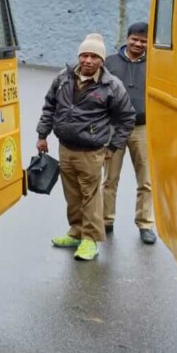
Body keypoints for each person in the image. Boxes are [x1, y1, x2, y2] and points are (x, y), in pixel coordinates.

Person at [36, 33, 136, 262]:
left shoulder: (111, 85)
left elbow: (127, 118)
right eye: (84, 55)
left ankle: (90, 240)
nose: (88, 60)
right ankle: (76, 232)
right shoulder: (63, 77)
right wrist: (42, 134)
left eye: (94, 56)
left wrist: (114, 146)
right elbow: (50, 105)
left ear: (102, 60)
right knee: (72, 194)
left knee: (90, 196)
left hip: (91, 151)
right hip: (66, 147)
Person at [103, 22, 156, 244]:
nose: (138, 44)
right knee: (110, 179)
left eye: (143, 41)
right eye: (134, 39)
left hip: (141, 128)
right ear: (127, 38)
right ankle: (106, 220)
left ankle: (145, 224)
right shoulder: (109, 63)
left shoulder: (155, 64)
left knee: (146, 180)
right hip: (113, 128)